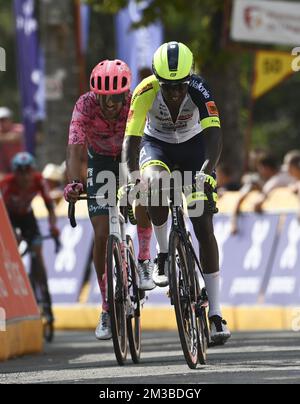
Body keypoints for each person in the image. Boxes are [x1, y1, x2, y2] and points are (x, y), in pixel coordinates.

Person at [122, 41, 231, 343]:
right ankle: (163, 254)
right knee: (153, 184)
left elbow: (214, 134)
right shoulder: (144, 90)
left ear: (189, 79)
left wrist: (206, 172)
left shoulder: (200, 88)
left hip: (195, 148)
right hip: (156, 145)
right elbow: (130, 140)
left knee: (202, 222)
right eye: (167, 86)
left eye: (180, 86)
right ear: (158, 79)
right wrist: (133, 177)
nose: (174, 92)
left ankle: (217, 314)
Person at [64, 59, 155, 341]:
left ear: (124, 94)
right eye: (104, 98)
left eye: (115, 97)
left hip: (132, 153)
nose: (110, 104)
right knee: (102, 234)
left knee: (142, 192)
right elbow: (75, 150)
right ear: (96, 94)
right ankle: (106, 306)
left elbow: (151, 140)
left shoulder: (135, 102)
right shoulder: (84, 105)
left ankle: (142, 258)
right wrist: (73, 182)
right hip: (101, 160)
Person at [0, 152, 59, 323]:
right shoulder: (6, 184)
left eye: (28, 171)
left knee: (37, 253)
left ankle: (46, 300)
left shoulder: (38, 180)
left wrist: (53, 227)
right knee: (14, 247)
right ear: (14, 172)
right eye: (20, 172)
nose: (25, 176)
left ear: (33, 171)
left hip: (27, 218)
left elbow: (50, 207)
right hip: (9, 217)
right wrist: (11, 236)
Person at [0, 107, 24, 179]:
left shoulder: (19, 128)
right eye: (0, 120)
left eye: (4, 120)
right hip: (5, 169)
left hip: (22, 166)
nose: (1, 123)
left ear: (10, 119)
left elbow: (15, 137)